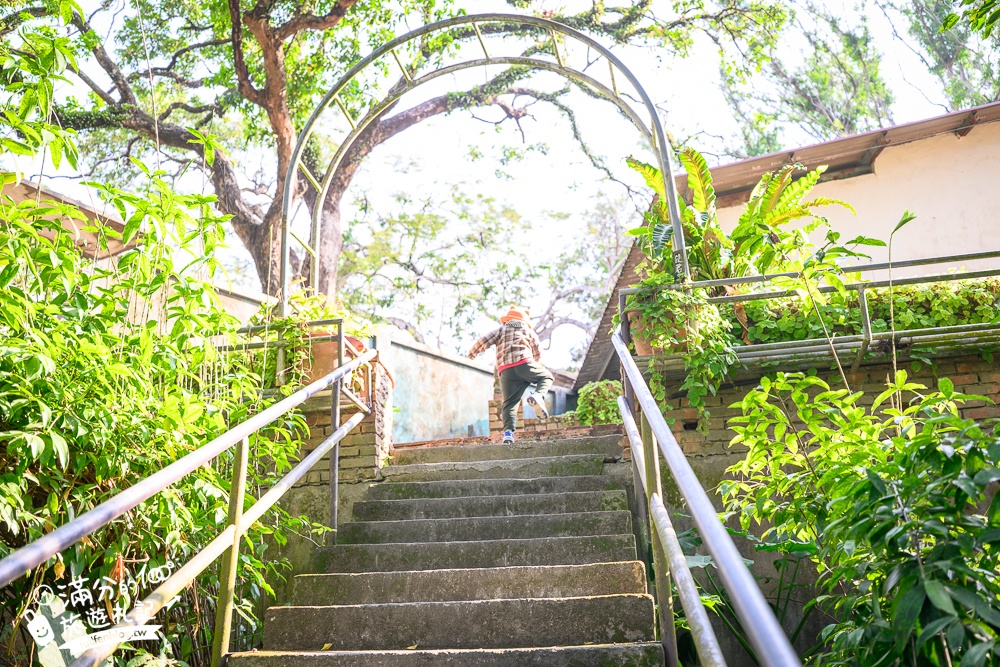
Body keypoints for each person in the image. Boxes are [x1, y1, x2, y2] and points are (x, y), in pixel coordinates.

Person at [468, 306, 554, 445]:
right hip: (524, 363)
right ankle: (538, 395)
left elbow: (484, 340)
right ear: (524, 321)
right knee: (546, 377)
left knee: (509, 403)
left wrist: (473, 353)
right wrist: (533, 365)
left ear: (508, 320)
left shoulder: (501, 329)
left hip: (505, 371)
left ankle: (508, 434)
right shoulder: (528, 330)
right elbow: (537, 351)